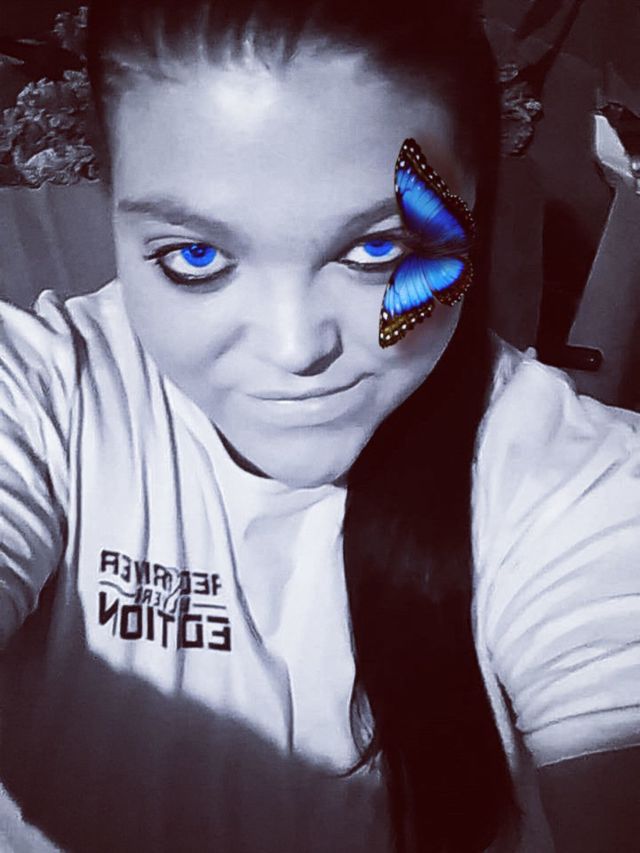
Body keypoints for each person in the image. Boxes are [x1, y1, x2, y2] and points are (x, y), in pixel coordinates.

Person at [0, 1, 638, 851]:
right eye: (196, 256)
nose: (295, 348)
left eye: (377, 249)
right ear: (113, 213)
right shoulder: (45, 394)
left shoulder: (579, 488)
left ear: (476, 200)